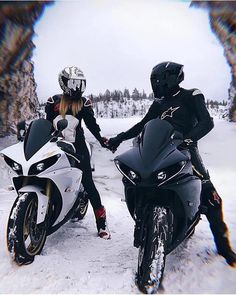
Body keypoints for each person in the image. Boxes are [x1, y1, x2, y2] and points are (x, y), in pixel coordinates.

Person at [108, 61, 236, 266]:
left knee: (212, 198)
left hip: (186, 150)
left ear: (172, 78)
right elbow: (142, 125)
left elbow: (207, 122)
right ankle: (146, 222)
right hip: (159, 151)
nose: (158, 84)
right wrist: (119, 138)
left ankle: (224, 248)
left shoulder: (191, 96)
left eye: (160, 79)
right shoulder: (158, 103)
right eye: (155, 80)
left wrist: (189, 139)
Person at [45, 66, 111, 239]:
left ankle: (102, 224)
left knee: (88, 183)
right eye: (73, 83)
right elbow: (46, 125)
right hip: (56, 144)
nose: (77, 87)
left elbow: (92, 125)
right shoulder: (53, 101)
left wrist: (102, 140)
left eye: (80, 83)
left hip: (78, 146)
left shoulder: (84, 103)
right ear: (64, 83)